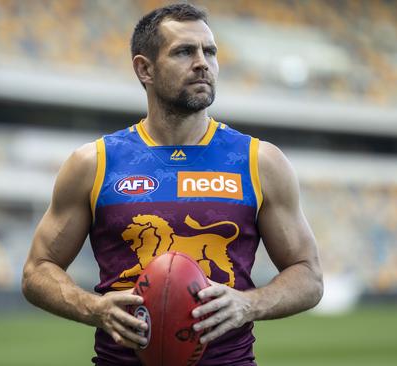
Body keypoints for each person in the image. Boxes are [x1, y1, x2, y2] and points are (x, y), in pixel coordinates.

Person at [22, 3, 323, 365]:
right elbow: (37, 270)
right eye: (184, 51)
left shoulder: (261, 162)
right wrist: (94, 308)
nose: (202, 62)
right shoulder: (94, 163)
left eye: (209, 51)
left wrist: (248, 304)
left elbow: (308, 275)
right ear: (144, 69)